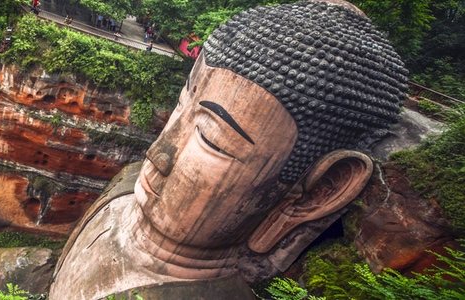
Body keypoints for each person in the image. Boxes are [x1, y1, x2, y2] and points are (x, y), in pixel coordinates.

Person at [50, 1, 408, 299]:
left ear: (318, 192)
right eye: (180, 106)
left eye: (210, 138)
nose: (157, 155)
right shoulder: (125, 188)